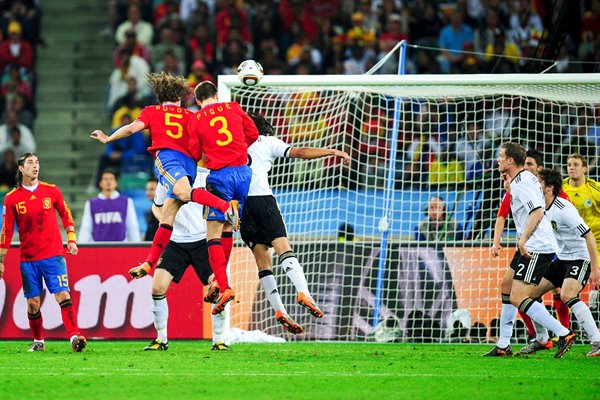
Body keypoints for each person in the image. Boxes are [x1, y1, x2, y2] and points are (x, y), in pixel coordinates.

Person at [91, 72, 239, 281]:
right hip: (190, 163)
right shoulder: (191, 115)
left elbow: (132, 129)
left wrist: (108, 138)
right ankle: (149, 262)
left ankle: (226, 207)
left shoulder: (152, 111)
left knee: (184, 193)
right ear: (179, 98)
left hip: (169, 160)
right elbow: (209, 139)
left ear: (159, 98)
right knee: (168, 214)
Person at [235, 112, 349, 332]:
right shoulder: (267, 141)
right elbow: (300, 153)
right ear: (263, 129)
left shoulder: (233, 145)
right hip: (263, 201)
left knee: (262, 262)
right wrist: (332, 151)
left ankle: (280, 310)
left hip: (242, 205)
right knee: (283, 249)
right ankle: (304, 292)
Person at [484, 142, 575, 358]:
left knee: (519, 296)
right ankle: (504, 345)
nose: (498, 159)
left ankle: (563, 333)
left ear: (510, 161)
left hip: (536, 246)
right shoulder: (521, 180)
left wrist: (522, 240)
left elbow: (537, 213)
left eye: (501, 156)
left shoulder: (523, 182)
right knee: (506, 286)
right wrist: (509, 189)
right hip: (533, 244)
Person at [0, 153, 86, 352]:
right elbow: (6, 230)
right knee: (33, 303)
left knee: (63, 294)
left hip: (53, 255)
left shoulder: (52, 191)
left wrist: (71, 239)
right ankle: (39, 341)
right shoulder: (12, 198)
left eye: (37, 162)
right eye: (30, 163)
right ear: (21, 168)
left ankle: (75, 337)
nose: (35, 166)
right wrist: (1, 259)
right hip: (28, 259)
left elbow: (66, 214)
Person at [187, 81, 259, 315]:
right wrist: (238, 149)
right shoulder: (234, 107)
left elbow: (196, 154)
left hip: (220, 176)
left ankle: (225, 286)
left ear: (198, 101)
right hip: (243, 172)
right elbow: (253, 134)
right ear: (216, 95)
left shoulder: (195, 119)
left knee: (212, 235)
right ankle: (220, 281)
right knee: (227, 228)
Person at [144, 167, 232, 351]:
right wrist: (167, 223)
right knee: (157, 287)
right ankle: (161, 339)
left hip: (203, 240)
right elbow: (156, 206)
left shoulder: (207, 176)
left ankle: (219, 341)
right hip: (176, 242)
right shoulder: (167, 178)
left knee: (217, 288)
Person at [519, 169, 600, 357]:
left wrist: (594, 268)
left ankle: (597, 340)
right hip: (562, 258)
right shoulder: (541, 208)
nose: (535, 185)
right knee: (528, 295)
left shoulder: (564, 209)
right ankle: (541, 338)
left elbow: (589, 236)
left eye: (539, 182)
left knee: (567, 295)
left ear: (549, 188)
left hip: (580, 258)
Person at [79, 169, 141, 243]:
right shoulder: (91, 203)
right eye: (105, 179)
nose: (108, 182)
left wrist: (137, 245)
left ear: (116, 183)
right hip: (97, 247)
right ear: (100, 183)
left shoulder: (127, 201)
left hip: (121, 247)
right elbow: (86, 228)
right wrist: (82, 247)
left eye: (111, 179)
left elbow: (132, 227)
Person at [562, 153, 600, 254]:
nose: (571, 168)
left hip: (596, 243)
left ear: (585, 169)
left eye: (576, 165)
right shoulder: (559, 189)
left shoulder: (595, 189)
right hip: (569, 244)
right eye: (569, 165)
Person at [144, 177, 160, 241]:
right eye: (147, 189)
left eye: (152, 189)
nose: (148, 192)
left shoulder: (163, 210)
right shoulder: (150, 211)